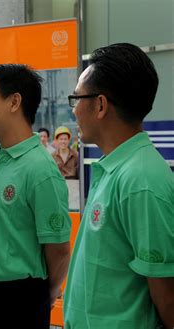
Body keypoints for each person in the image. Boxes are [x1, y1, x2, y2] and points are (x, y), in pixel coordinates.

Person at [64, 43, 174, 328]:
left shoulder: (141, 180)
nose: (73, 111)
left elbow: (166, 294)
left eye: (76, 99)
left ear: (100, 105)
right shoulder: (117, 168)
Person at [0, 64, 72, 329]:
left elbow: (58, 250)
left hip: (16, 300)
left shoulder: (40, 169)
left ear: (14, 102)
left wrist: (42, 296)